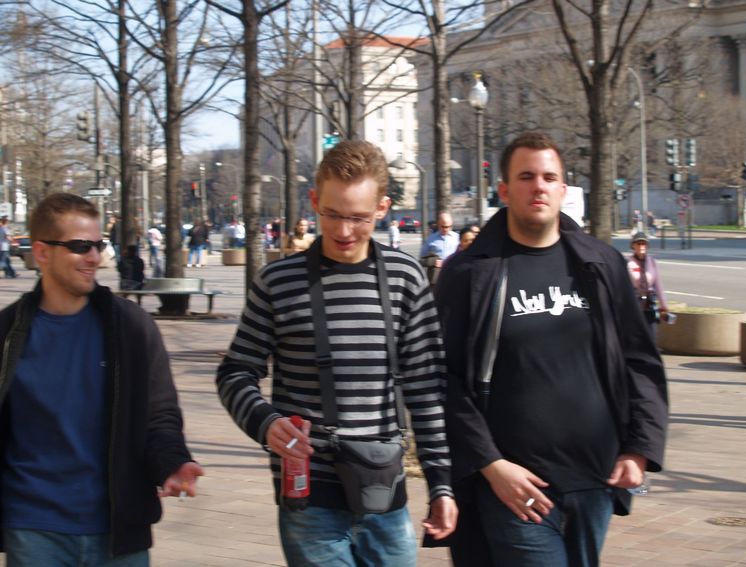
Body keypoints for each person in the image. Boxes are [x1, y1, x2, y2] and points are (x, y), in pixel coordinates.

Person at [216, 140, 457, 566]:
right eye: (332, 214)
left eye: (358, 217)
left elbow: (426, 388)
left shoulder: (405, 277)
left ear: (382, 208)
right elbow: (235, 372)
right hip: (310, 499)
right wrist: (264, 422)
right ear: (314, 201)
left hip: (385, 491)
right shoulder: (277, 281)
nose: (344, 231)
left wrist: (441, 484)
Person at [435, 132, 668, 567]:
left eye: (548, 177)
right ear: (505, 191)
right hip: (514, 486)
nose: (538, 187)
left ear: (563, 189)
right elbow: (443, 378)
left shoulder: (600, 264)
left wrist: (640, 447)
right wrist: (491, 464)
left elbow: (639, 360)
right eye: (525, 177)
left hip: (595, 478)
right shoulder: (470, 273)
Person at [0, 193, 203, 565]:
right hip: (33, 529)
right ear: (42, 252)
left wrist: (173, 463)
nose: (94, 257)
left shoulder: (132, 327)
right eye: (80, 246)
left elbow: (159, 414)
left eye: (98, 245)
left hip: (119, 528)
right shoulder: (8, 333)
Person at [627, 232, 668, 342]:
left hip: (649, 304)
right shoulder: (628, 263)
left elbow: (658, 285)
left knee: (652, 337)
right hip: (634, 305)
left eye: (644, 243)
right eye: (638, 243)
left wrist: (663, 305)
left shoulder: (652, 262)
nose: (641, 246)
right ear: (633, 245)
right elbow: (623, 285)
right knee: (636, 338)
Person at [419, 212, 459, 286]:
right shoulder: (431, 239)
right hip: (437, 278)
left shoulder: (457, 238)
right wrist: (433, 261)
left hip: (454, 276)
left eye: (449, 226)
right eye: (443, 226)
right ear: (438, 224)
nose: (446, 229)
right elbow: (421, 260)